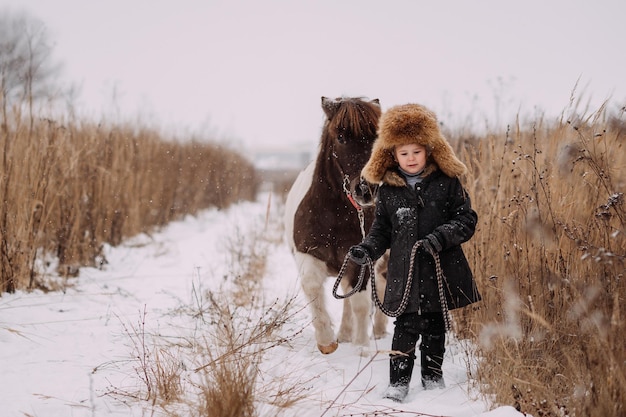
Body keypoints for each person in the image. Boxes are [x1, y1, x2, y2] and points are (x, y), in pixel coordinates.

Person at [348, 103, 480, 402]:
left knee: (435, 326)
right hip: (404, 272)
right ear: (392, 155)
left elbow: (466, 220)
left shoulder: (447, 184)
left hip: (438, 267)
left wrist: (441, 236)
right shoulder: (389, 191)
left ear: (429, 151)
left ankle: (433, 378)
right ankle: (398, 383)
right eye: (403, 153)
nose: (410, 158)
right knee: (405, 327)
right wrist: (368, 249)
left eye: (416, 152)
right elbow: (381, 230)